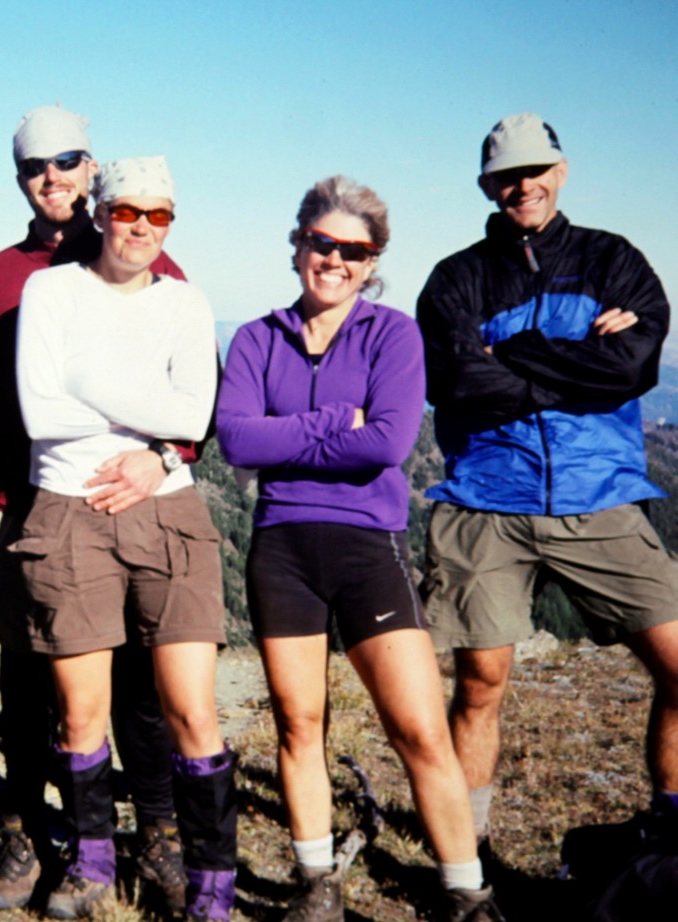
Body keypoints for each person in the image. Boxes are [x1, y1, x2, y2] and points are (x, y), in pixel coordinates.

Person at [216, 177, 502, 922]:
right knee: (297, 722)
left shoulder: (393, 334)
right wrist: (335, 420)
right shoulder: (255, 337)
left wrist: (298, 432)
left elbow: (389, 443)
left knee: (418, 728)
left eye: (356, 251)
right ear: (298, 244)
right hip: (281, 548)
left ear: (373, 263)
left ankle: (466, 891)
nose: (336, 260)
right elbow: (237, 438)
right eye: (323, 243)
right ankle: (318, 887)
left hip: (368, 545)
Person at [417, 113, 678, 861]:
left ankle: (669, 827)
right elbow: (459, 380)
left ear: (560, 173)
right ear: (487, 186)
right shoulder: (457, 278)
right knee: (480, 686)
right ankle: (468, 858)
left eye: (535, 171)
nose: (522, 185)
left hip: (600, 496)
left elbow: (630, 369)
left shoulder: (614, 260)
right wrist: (572, 356)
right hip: (486, 500)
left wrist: (516, 352)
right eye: (507, 175)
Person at [0, 105, 190, 912]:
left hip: (125, 499)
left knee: (136, 680)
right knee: (23, 676)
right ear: (20, 178)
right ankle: (27, 835)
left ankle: (153, 835)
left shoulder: (156, 267)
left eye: (68, 161)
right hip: (22, 504)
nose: (51, 177)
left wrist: (167, 461)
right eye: (34, 167)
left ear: (94, 169)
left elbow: (194, 396)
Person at [14, 156, 235, 921]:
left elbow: (193, 416)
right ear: (101, 212)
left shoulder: (187, 301)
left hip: (166, 506)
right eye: (128, 211)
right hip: (68, 511)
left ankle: (212, 882)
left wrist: (144, 439)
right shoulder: (51, 289)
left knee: (192, 713)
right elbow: (40, 415)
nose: (142, 227)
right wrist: (155, 415)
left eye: (159, 215)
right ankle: (93, 863)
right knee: (80, 713)